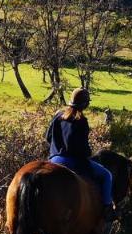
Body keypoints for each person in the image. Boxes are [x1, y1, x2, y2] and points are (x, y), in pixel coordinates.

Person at [45, 88, 116, 220]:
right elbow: (82, 148)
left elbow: (48, 137)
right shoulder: (81, 121)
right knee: (107, 175)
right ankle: (107, 208)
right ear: (85, 104)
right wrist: (88, 154)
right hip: (72, 162)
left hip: (54, 160)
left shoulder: (58, 115)